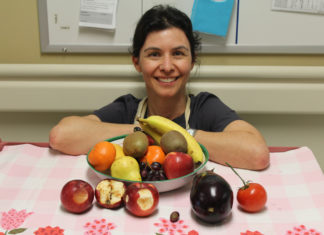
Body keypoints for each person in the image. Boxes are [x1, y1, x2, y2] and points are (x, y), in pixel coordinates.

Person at [49, 5, 269, 170]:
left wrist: (180, 136)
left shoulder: (205, 107)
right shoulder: (127, 109)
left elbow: (257, 153)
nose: (166, 66)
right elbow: (61, 136)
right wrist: (144, 133)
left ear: (192, 62)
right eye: (154, 54)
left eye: (178, 54)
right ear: (137, 62)